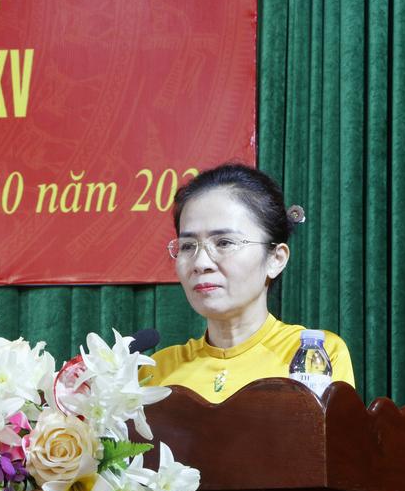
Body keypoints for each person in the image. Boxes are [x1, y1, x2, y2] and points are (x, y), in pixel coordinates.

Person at [140, 163, 355, 402]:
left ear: (276, 258)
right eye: (188, 246)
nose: (201, 263)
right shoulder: (156, 371)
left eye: (224, 243)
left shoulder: (313, 356)